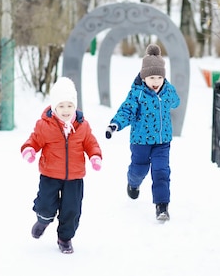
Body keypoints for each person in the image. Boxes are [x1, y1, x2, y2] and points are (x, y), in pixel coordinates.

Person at [21, 76, 103, 254]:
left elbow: (91, 143)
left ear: (75, 106)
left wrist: (95, 156)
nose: (66, 110)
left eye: (69, 105)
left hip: (74, 176)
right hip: (50, 173)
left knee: (72, 210)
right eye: (61, 106)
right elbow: (34, 140)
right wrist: (29, 149)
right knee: (45, 204)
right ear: (53, 106)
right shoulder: (45, 125)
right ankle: (43, 219)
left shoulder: (82, 126)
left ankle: (65, 238)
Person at [105, 43, 180, 221]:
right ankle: (133, 182)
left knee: (161, 171)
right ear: (144, 77)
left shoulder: (166, 90)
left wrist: (168, 88)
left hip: (162, 141)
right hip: (140, 141)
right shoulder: (137, 94)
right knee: (139, 169)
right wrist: (114, 125)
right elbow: (126, 111)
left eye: (159, 78)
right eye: (152, 77)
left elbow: (176, 102)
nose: (155, 82)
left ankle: (162, 206)